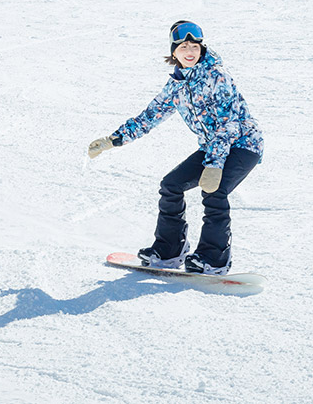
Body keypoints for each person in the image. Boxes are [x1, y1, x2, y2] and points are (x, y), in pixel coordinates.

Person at [87, 21, 263, 275]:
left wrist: (214, 166)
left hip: (244, 144)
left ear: (202, 49)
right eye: (183, 46)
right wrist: (113, 140)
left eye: (194, 45)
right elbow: (149, 117)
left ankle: (214, 259)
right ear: (174, 52)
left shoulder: (217, 76)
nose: (189, 51)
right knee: (171, 185)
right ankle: (169, 251)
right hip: (212, 147)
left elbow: (229, 124)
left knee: (215, 192)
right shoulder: (177, 85)